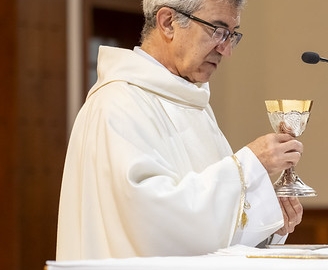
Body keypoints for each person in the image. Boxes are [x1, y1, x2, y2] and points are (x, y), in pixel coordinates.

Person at [56, 0, 304, 260]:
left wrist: (266, 215)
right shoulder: (118, 104)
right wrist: (250, 165)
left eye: (232, 35)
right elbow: (153, 224)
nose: (226, 49)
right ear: (168, 22)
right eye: (217, 30)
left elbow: (205, 231)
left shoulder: (193, 104)